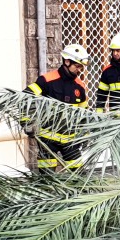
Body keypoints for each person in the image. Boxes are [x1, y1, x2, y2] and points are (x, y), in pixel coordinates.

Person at [24, 44, 90, 172]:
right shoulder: (46, 80)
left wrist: (85, 134)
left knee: (78, 177)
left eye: (81, 67)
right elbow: (25, 98)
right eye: (77, 66)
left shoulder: (79, 86)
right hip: (47, 141)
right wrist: (26, 121)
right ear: (67, 61)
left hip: (71, 142)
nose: (80, 70)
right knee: (47, 181)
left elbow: (84, 113)